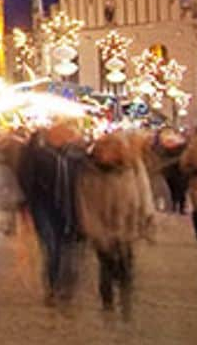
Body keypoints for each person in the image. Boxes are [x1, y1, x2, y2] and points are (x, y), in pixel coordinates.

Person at [76, 133, 152, 319]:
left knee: (126, 264)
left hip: (127, 223)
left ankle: (126, 302)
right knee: (106, 265)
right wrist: (92, 228)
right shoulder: (89, 172)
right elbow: (84, 202)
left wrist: (146, 215)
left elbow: (144, 191)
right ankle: (108, 303)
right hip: (101, 226)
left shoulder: (132, 167)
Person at [18, 121, 85, 306]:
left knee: (69, 249)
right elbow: (26, 179)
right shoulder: (37, 155)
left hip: (72, 208)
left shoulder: (77, 156)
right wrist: (25, 204)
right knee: (52, 248)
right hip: (44, 206)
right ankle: (53, 287)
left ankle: (66, 286)